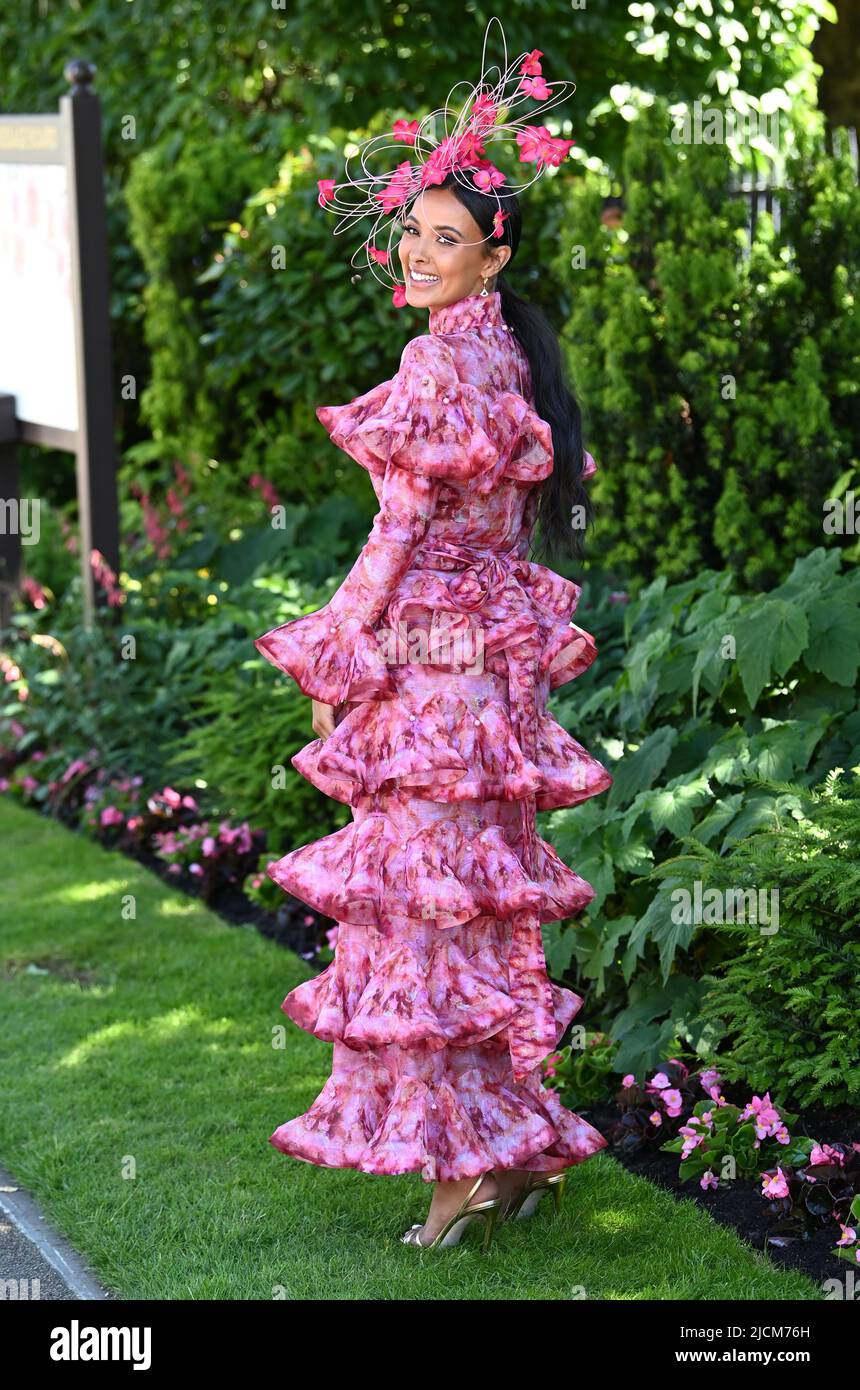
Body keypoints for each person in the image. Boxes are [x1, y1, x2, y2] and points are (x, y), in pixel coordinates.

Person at [254, 20, 613, 1252]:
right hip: (490, 680)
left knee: (425, 922)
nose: (415, 251)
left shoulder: (437, 365)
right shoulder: (506, 352)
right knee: (468, 918)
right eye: (410, 231)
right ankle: (509, 1155)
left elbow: (398, 527)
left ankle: (459, 1168)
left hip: (437, 682)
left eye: (442, 238)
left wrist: (337, 656)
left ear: (491, 251)